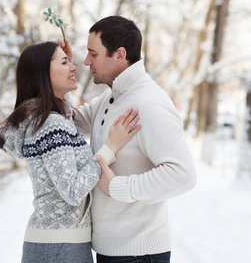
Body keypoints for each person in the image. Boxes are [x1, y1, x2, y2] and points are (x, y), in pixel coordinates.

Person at [0, 41, 141, 263]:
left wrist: (61, 64)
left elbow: (64, 116)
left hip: (57, 245)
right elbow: (72, 190)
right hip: (59, 248)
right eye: (64, 62)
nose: (74, 67)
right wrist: (110, 148)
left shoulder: (48, 121)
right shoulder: (51, 124)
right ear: (43, 73)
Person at [60, 16, 197, 263]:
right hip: (112, 250)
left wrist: (118, 187)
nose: (86, 61)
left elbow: (183, 174)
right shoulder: (110, 98)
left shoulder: (149, 103)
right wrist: (60, 70)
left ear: (119, 55)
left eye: (93, 53)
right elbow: (70, 121)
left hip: (138, 253)